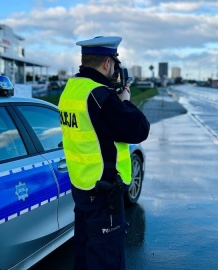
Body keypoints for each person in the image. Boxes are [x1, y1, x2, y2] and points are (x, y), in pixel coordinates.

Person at [58, 36, 150, 270]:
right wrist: (126, 102)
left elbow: (95, 129)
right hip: (103, 194)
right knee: (108, 260)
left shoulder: (72, 90)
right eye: (114, 66)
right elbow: (139, 129)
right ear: (107, 63)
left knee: (85, 253)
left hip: (82, 186)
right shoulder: (100, 97)